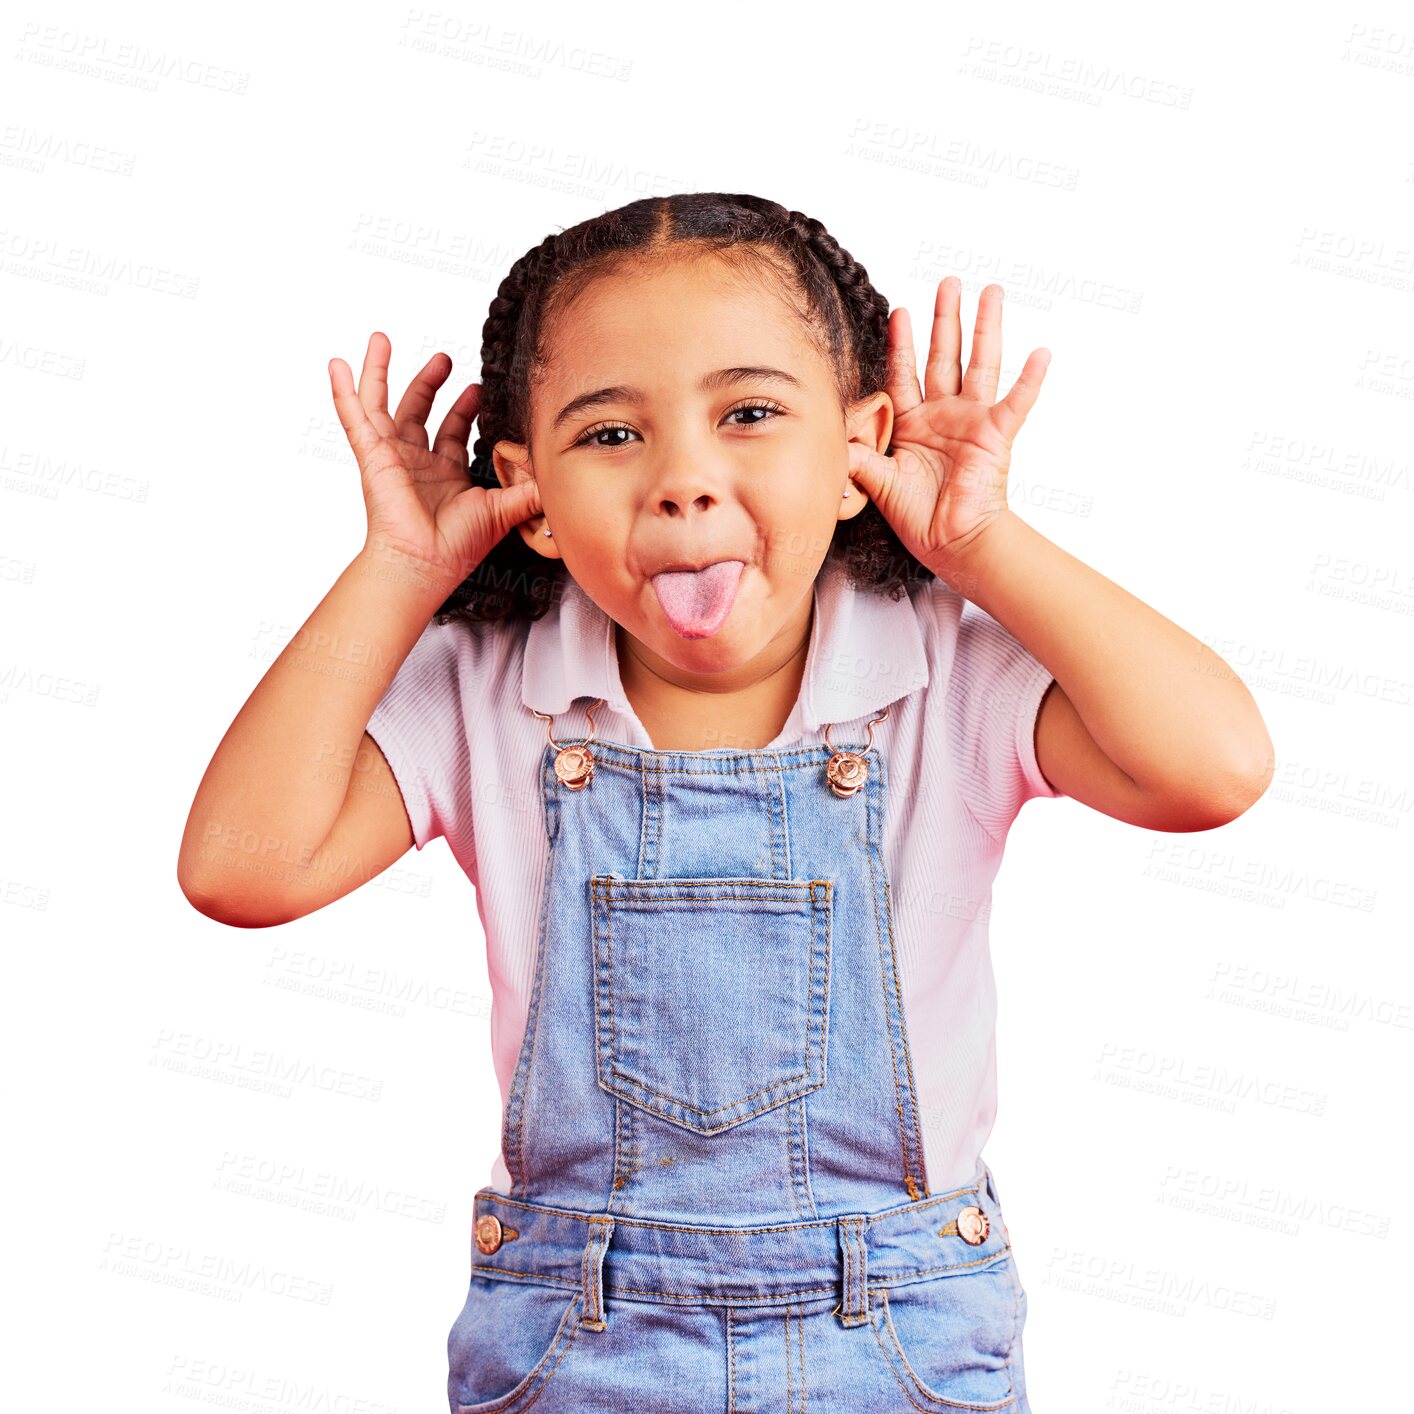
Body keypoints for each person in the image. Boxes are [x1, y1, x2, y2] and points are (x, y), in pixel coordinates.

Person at [179, 192, 1274, 1412]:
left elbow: (1212, 767)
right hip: (576, 1340)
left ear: (860, 451)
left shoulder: (949, 666)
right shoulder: (489, 690)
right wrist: (397, 570)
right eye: (609, 437)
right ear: (525, 490)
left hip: (899, 1336)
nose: (685, 481)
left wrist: (982, 542)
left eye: (748, 414)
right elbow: (241, 867)